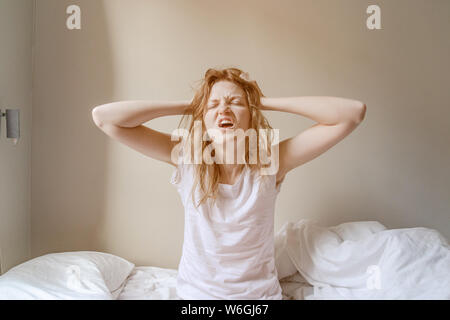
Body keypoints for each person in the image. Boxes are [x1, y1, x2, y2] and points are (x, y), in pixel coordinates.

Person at [91, 67, 366, 299]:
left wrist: (262, 101)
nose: (224, 108)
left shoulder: (270, 161)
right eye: (213, 105)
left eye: (235, 102)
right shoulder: (187, 157)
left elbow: (352, 113)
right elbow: (104, 119)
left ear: (251, 114)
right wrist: (190, 106)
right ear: (204, 116)